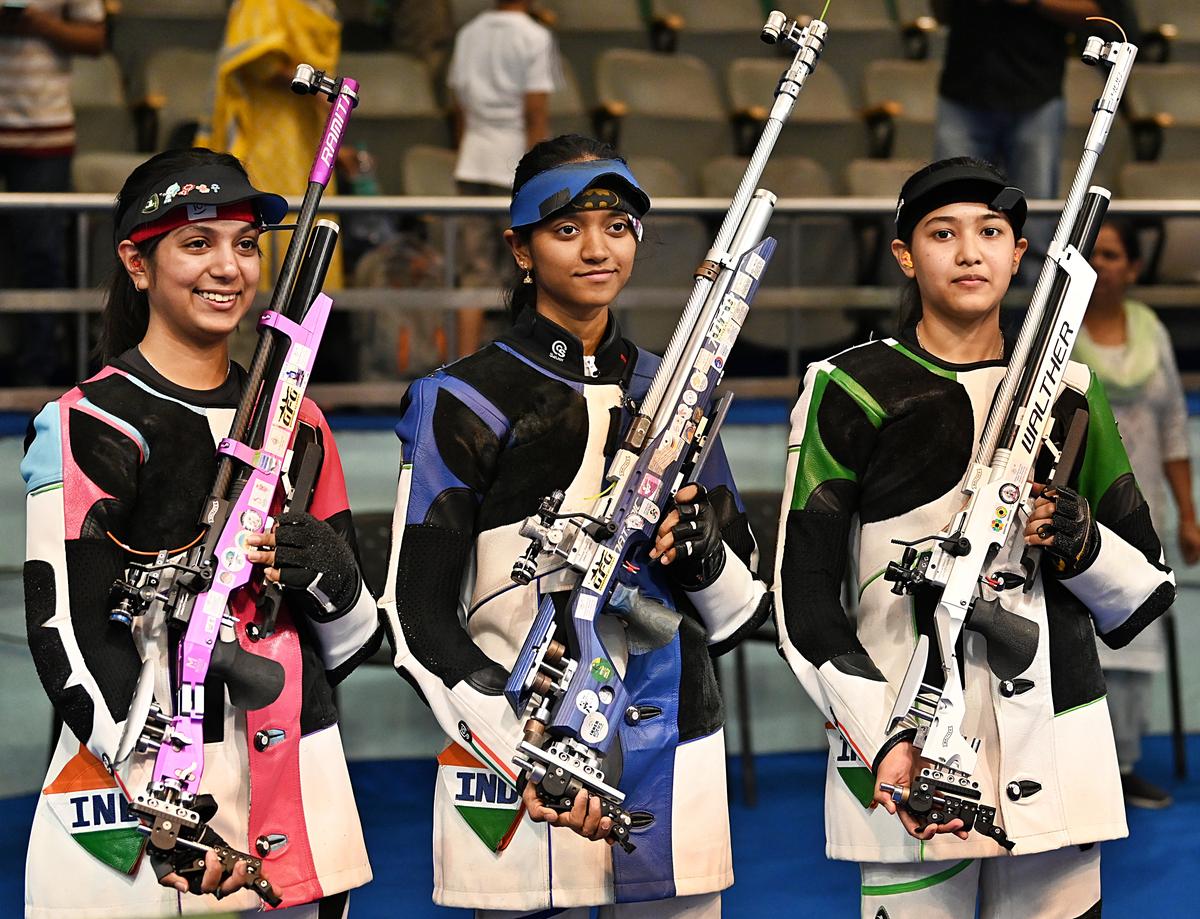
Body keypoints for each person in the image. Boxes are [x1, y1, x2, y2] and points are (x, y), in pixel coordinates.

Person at [380, 134, 772, 917]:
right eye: (567, 229)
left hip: (673, 739)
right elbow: (414, 614)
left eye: (618, 225)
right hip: (512, 745)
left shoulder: (679, 388)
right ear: (519, 248)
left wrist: (700, 560)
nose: (597, 247)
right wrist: (529, 752)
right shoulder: (461, 396)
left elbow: (740, 610)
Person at [774, 157, 1176, 918]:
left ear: (1020, 254)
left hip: (1058, 751)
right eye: (942, 233)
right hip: (911, 751)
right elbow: (802, 601)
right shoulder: (847, 385)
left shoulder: (1069, 395)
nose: (969, 252)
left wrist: (1080, 539)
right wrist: (885, 742)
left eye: (991, 232)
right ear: (904, 254)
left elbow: (1146, 593)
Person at [22, 148, 379, 917]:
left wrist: (332, 573)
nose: (229, 267)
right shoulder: (84, 421)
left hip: (299, 796)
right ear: (137, 262)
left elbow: (353, 643)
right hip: (127, 807)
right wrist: (164, 808)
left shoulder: (304, 423)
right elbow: (69, 636)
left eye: (246, 245)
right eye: (198, 243)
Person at [1074, 217, 1199, 809]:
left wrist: (1189, 514)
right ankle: (1078, 773)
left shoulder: (1153, 333)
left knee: (1137, 647)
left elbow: (1175, 425)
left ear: (1133, 268)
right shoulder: (1059, 335)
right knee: (1081, 645)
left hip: (1143, 510)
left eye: (1114, 254)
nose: (1104, 264)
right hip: (1079, 518)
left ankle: (1122, 769)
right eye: (1093, 254)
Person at [931, 0, 1130, 265]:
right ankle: (947, 302)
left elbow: (1097, 14)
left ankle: (1030, 304)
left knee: (1034, 224)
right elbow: (941, 13)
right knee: (951, 211)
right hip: (965, 89)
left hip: (1035, 93)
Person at [0, 0, 106, 385]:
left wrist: (38, 24)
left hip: (44, 125)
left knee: (41, 253)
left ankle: (37, 374)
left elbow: (95, 39)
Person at [447, 0, 560, 353]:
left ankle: (464, 367)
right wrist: (540, 171)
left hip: (472, 163)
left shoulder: (469, 33)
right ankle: (526, 362)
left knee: (472, 273)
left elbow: (459, 108)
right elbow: (535, 112)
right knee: (529, 270)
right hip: (517, 167)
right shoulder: (535, 36)